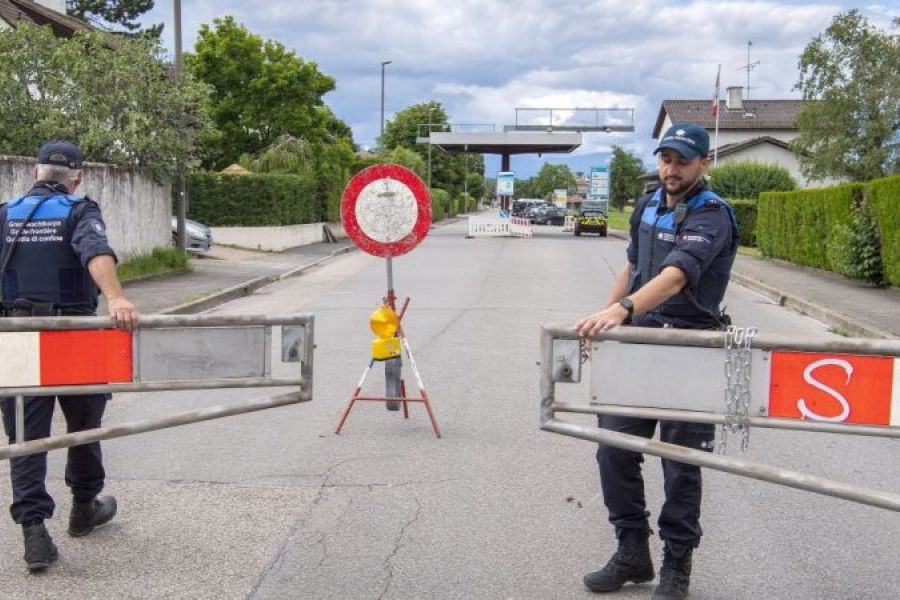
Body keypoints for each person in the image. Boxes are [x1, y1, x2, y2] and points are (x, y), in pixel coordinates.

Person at [574, 123, 737, 600]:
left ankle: (677, 566)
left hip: (688, 350)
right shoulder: (648, 203)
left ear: (703, 164)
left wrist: (622, 310)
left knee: (680, 463)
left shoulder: (713, 215)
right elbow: (633, 267)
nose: (671, 168)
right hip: (638, 346)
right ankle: (632, 551)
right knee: (613, 447)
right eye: (666, 158)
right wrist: (608, 316)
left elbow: (674, 276)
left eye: (682, 160)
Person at [0, 141, 139, 573]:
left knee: (27, 435)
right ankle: (84, 508)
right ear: (77, 177)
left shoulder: (6, 213)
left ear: (34, 174)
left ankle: (35, 534)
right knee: (83, 426)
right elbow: (95, 252)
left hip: (18, 335)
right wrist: (116, 299)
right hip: (73, 336)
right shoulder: (80, 211)